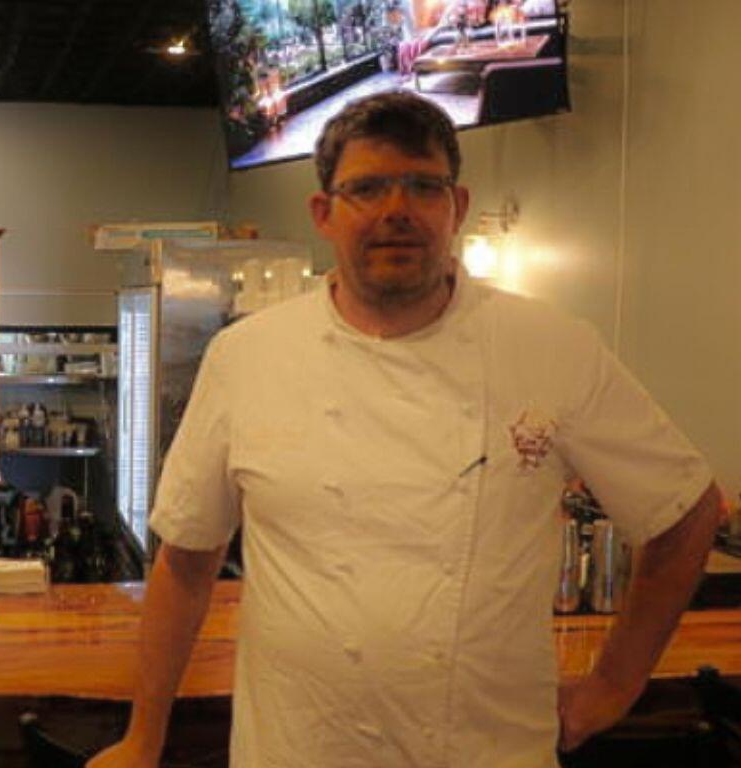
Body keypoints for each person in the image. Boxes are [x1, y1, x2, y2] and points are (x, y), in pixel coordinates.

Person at [89, 92, 721, 767]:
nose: (398, 210)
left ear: (458, 207)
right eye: (367, 188)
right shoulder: (247, 357)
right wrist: (142, 737)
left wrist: (614, 686)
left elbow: (686, 513)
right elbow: (186, 560)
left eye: (423, 185)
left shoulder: (553, 346)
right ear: (323, 214)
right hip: (296, 749)